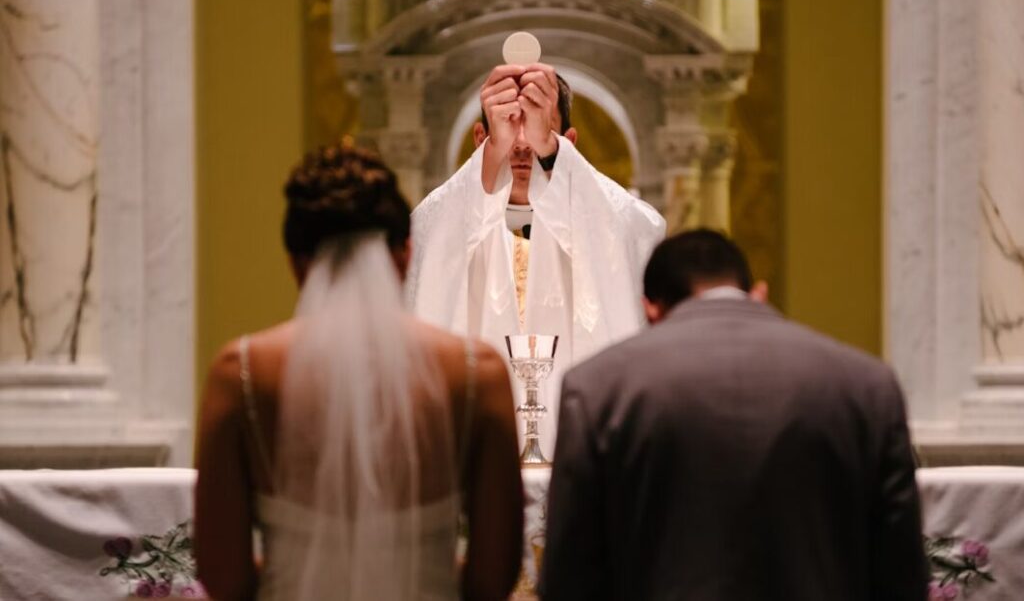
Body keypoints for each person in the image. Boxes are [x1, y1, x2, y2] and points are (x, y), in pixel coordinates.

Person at [194, 144, 523, 600]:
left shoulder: (242, 374)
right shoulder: (476, 373)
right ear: (405, 253)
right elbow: (493, 579)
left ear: (297, 262)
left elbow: (224, 579)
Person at [540, 229, 928, 600]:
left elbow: (571, 577)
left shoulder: (597, 387)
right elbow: (901, 573)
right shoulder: (867, 384)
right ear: (758, 294)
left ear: (650, 309)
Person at [408, 63, 665, 455]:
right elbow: (426, 241)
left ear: (568, 142)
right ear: (480, 138)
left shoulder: (599, 216)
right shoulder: (452, 218)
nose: (522, 144)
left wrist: (552, 153)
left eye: (537, 129)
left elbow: (640, 230)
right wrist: (494, 153)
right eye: (509, 127)